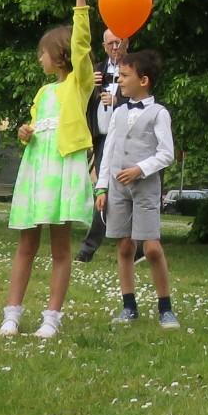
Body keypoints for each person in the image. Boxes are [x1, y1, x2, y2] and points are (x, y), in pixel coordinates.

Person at [1, 0, 97, 338]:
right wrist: (24, 133)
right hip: (37, 168)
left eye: (42, 52)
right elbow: (35, 128)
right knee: (27, 242)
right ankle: (12, 313)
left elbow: (83, 45)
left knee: (61, 245)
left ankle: (51, 317)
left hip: (63, 168)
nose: (39, 58)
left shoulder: (78, 83)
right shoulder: (43, 92)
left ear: (59, 55)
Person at [96, 48, 178, 327]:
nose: (119, 80)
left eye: (125, 75)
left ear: (143, 80)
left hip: (145, 188)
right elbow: (109, 149)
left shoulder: (158, 113)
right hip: (118, 188)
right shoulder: (118, 112)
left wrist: (140, 169)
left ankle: (165, 307)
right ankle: (128, 305)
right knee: (124, 246)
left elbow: (167, 153)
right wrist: (101, 186)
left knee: (152, 247)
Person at [77, 29, 129, 263]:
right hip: (101, 138)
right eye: (110, 44)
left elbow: (145, 99)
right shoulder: (96, 68)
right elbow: (77, 98)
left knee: (127, 192)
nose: (115, 48)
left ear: (127, 43)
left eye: (118, 43)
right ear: (104, 45)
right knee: (103, 189)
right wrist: (89, 86)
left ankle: (135, 247)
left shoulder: (135, 67)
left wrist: (119, 102)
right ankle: (88, 248)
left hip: (127, 140)